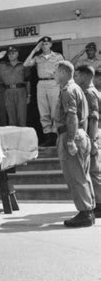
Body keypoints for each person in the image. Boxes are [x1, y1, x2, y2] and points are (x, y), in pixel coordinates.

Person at [54, 61, 94, 227]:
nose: (54, 75)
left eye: (56, 72)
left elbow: (72, 117)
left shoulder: (68, 90)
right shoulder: (76, 88)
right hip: (80, 134)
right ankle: (89, 210)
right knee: (83, 176)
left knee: (75, 176)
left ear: (63, 73)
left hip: (71, 134)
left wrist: (70, 140)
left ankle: (84, 213)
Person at [24, 36, 64, 146]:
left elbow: (64, 69)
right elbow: (26, 64)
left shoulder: (58, 56)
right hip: (41, 84)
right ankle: (47, 136)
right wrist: (34, 50)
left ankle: (56, 136)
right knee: (43, 110)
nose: (44, 46)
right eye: (42, 44)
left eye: (46, 44)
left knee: (55, 110)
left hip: (53, 83)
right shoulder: (37, 57)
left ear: (50, 44)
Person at [75, 65, 100, 218]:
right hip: (96, 134)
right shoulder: (95, 91)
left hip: (94, 134)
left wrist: (93, 140)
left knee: (94, 171)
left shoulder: (88, 93)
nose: (75, 79)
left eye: (77, 76)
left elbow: (94, 118)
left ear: (85, 76)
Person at [0, 46, 31, 127]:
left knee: (22, 117)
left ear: (17, 54)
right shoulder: (3, 66)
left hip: (20, 91)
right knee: (11, 119)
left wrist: (28, 95)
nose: (11, 55)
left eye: (13, 53)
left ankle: (22, 138)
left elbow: (27, 81)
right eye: (9, 54)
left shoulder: (22, 65)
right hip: (8, 91)